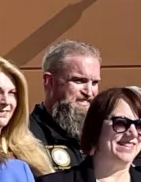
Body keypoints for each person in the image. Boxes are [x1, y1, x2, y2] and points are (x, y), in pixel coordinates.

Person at [31, 40, 102, 171]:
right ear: (49, 81)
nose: (89, 92)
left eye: (95, 83)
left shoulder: (103, 135)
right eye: (79, 80)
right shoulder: (25, 137)